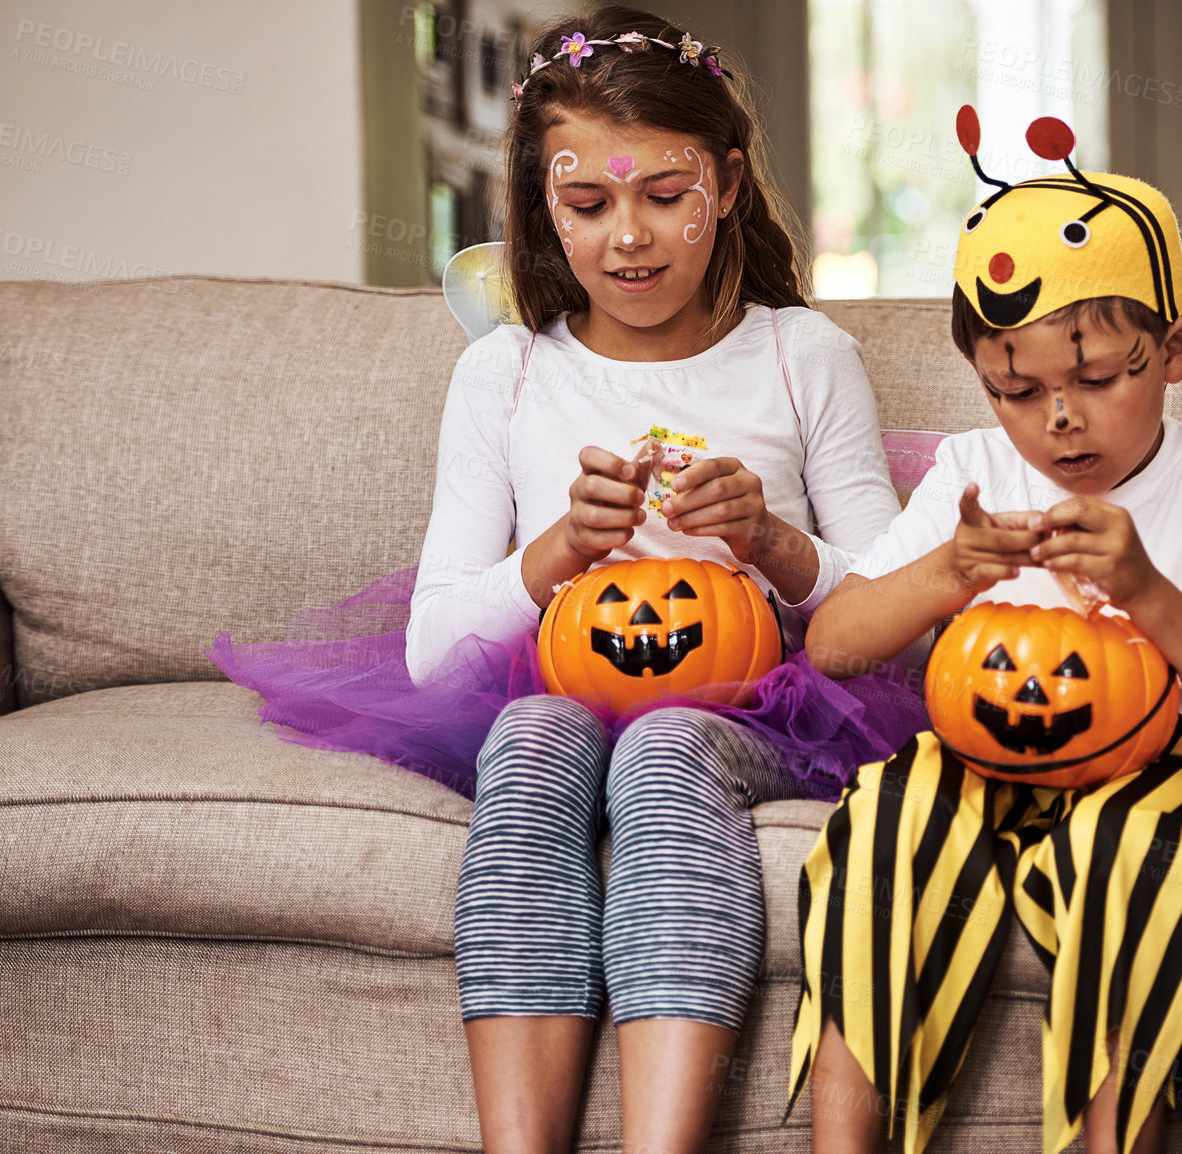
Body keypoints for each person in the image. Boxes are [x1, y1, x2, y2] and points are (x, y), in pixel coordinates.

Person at [322, 7, 906, 1154]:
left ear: (727, 183)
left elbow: (895, 613)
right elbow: (432, 647)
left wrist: (779, 548)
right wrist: (551, 558)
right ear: (543, 201)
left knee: (664, 743)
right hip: (554, 685)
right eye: (586, 204)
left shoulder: (802, 357)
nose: (626, 237)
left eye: (662, 195)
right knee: (535, 736)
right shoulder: (505, 372)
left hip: (749, 702)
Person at [784, 108, 1182, 1154]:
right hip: (983, 748)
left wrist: (1148, 591)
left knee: (1127, 851)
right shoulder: (973, 470)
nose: (1058, 420)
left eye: (1098, 379)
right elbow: (832, 644)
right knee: (885, 810)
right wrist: (948, 569)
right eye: (1016, 391)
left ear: (1174, 350)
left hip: (1165, 757)